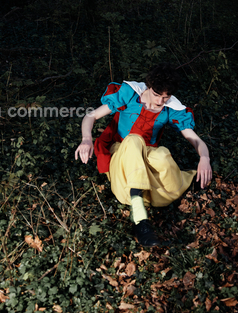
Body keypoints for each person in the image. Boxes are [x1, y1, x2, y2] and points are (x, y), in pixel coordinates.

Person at [74, 63, 212, 247]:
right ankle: (141, 221)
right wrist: (86, 139)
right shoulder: (130, 94)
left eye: (166, 97)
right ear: (148, 86)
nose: (160, 101)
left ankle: (180, 182)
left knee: (162, 155)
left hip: (146, 155)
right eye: (157, 94)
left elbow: (195, 140)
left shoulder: (170, 108)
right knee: (133, 140)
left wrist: (204, 158)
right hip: (122, 152)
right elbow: (91, 116)